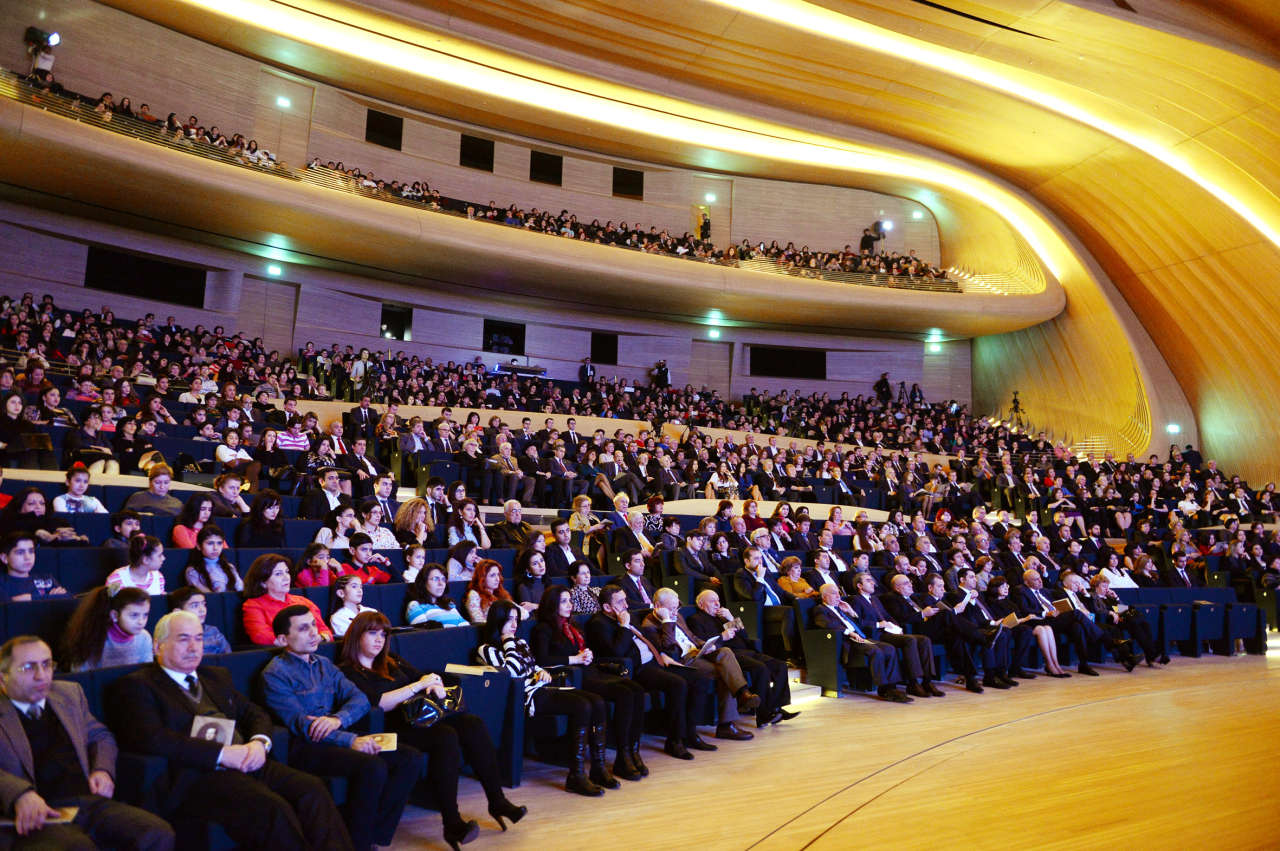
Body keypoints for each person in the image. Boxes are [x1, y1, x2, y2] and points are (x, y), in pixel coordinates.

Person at [106, 611, 352, 851]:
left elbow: (255, 714)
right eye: (183, 639)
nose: (194, 647)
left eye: (199, 638)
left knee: (311, 789)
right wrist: (222, 754)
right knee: (270, 808)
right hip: (198, 774)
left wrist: (259, 742)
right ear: (158, 646)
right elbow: (152, 738)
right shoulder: (138, 685)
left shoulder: (215, 676)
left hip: (247, 757)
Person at [339, 611, 527, 845]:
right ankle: (452, 823)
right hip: (390, 727)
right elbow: (377, 703)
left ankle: (497, 800)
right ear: (357, 635)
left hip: (419, 719)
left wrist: (435, 684)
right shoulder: (347, 671)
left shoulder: (392, 661)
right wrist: (419, 685)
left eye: (383, 634)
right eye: (373, 633)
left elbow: (425, 676)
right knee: (445, 736)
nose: (379, 639)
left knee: (472, 724)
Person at [261, 605, 423, 851]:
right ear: (283, 639)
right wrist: (350, 740)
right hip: (305, 746)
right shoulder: (275, 673)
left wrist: (338, 720)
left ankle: (372, 834)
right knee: (372, 765)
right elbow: (300, 723)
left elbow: (359, 699)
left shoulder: (324, 664)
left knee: (410, 758)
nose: (314, 633)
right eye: (304, 628)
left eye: (314, 625)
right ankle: (359, 844)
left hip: (337, 732)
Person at [0, 635, 175, 850]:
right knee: (78, 847)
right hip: (37, 813)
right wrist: (18, 793)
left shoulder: (69, 694)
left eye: (46, 665)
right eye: (28, 668)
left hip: (86, 802)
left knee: (157, 833)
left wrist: (102, 769)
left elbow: (101, 736)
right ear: (2, 678)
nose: (41, 675)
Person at [478, 600, 607, 796]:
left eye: (516, 619)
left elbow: (530, 664)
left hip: (544, 688)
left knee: (596, 701)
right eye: (509, 620)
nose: (514, 625)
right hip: (527, 697)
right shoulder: (486, 649)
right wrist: (508, 642)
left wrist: (540, 671)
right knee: (582, 705)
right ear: (497, 622)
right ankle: (576, 776)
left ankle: (598, 768)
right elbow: (513, 672)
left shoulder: (519, 643)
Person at [584, 584, 715, 761]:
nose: (626, 605)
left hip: (655, 660)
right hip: (637, 669)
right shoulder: (598, 624)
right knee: (678, 684)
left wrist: (660, 654)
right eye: (621, 602)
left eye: (625, 600)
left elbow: (645, 640)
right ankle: (674, 741)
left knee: (699, 678)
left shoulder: (626, 616)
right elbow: (616, 652)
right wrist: (623, 626)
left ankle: (690, 733)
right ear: (607, 607)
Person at [530, 587, 648, 781]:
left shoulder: (572, 625)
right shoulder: (543, 628)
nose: (570, 605)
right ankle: (622, 755)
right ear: (552, 605)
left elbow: (582, 649)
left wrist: (587, 654)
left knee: (636, 689)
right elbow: (542, 659)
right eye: (564, 601)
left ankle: (632, 751)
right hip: (573, 677)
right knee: (625, 693)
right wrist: (575, 659)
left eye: (570, 600)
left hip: (590, 671)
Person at [641, 588, 761, 740]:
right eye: (671, 609)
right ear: (657, 606)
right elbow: (668, 649)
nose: (674, 612)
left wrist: (707, 643)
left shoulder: (683, 616)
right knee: (724, 671)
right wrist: (666, 621)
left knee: (725, 651)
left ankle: (743, 694)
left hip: (702, 651)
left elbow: (693, 636)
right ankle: (728, 723)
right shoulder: (649, 624)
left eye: (677, 608)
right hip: (684, 660)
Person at [686, 589, 797, 727]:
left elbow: (745, 636)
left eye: (718, 600)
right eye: (712, 601)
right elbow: (705, 645)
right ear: (701, 605)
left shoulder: (722, 616)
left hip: (747, 650)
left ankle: (777, 707)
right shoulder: (696, 619)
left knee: (780, 665)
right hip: (730, 655)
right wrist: (723, 636)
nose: (717, 604)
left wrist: (732, 618)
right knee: (760, 668)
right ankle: (763, 715)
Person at [847, 572, 942, 698]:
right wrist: (878, 625)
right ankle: (913, 683)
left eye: (872, 580)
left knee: (923, 640)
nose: (872, 583)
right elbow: (858, 622)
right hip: (876, 635)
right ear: (859, 585)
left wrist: (897, 627)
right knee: (909, 640)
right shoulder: (855, 600)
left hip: (888, 632)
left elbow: (887, 616)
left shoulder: (874, 599)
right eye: (868, 580)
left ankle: (927, 681)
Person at [811, 583, 910, 703]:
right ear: (824, 596)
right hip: (848, 641)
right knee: (876, 651)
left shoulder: (841, 609)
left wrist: (851, 612)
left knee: (889, 648)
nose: (838, 596)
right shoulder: (820, 609)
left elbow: (859, 624)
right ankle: (884, 689)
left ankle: (892, 687)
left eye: (839, 593)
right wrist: (848, 632)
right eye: (834, 593)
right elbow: (825, 624)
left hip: (861, 638)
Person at [241, 554, 332, 646]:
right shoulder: (253, 605)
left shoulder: (303, 601)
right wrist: (298, 642)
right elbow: (260, 635)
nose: (286, 577)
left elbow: (325, 631)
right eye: (278, 574)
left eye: (287, 572)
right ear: (263, 582)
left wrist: (321, 638)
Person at [62, 586, 153, 671]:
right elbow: (82, 675)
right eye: (134, 615)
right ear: (115, 615)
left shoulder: (144, 638)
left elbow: (146, 673)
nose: (141, 622)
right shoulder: (93, 637)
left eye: (145, 615)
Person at [0, 488, 87, 546]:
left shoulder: (58, 522)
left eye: (42, 503)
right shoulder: (11, 524)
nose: (38, 507)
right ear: (19, 508)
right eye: (31, 503)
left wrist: (79, 539)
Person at [0, 530, 67, 602]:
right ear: (4, 558)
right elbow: (7, 607)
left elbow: (68, 597)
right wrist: (50, 598)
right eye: (20, 552)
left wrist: (30, 598)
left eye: (31, 551)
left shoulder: (46, 578)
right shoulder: (2, 584)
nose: (27, 557)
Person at [169, 586, 232, 655]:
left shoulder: (213, 632)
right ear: (177, 612)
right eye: (195, 606)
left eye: (203, 604)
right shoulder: (170, 635)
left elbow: (229, 657)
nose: (202, 610)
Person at [183, 525, 243, 593]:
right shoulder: (192, 571)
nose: (215, 548)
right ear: (199, 546)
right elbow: (208, 597)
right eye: (210, 543)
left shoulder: (229, 567)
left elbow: (241, 589)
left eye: (219, 543)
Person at [404, 564, 469, 627]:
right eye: (435, 579)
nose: (441, 583)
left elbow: (464, 626)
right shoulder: (414, 605)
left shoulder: (449, 604)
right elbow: (425, 635)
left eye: (443, 579)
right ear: (423, 582)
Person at [463, 560, 525, 624]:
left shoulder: (501, 593)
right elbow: (478, 621)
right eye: (492, 575)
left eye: (498, 575)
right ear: (482, 578)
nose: (497, 579)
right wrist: (506, 622)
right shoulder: (474, 594)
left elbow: (524, 613)